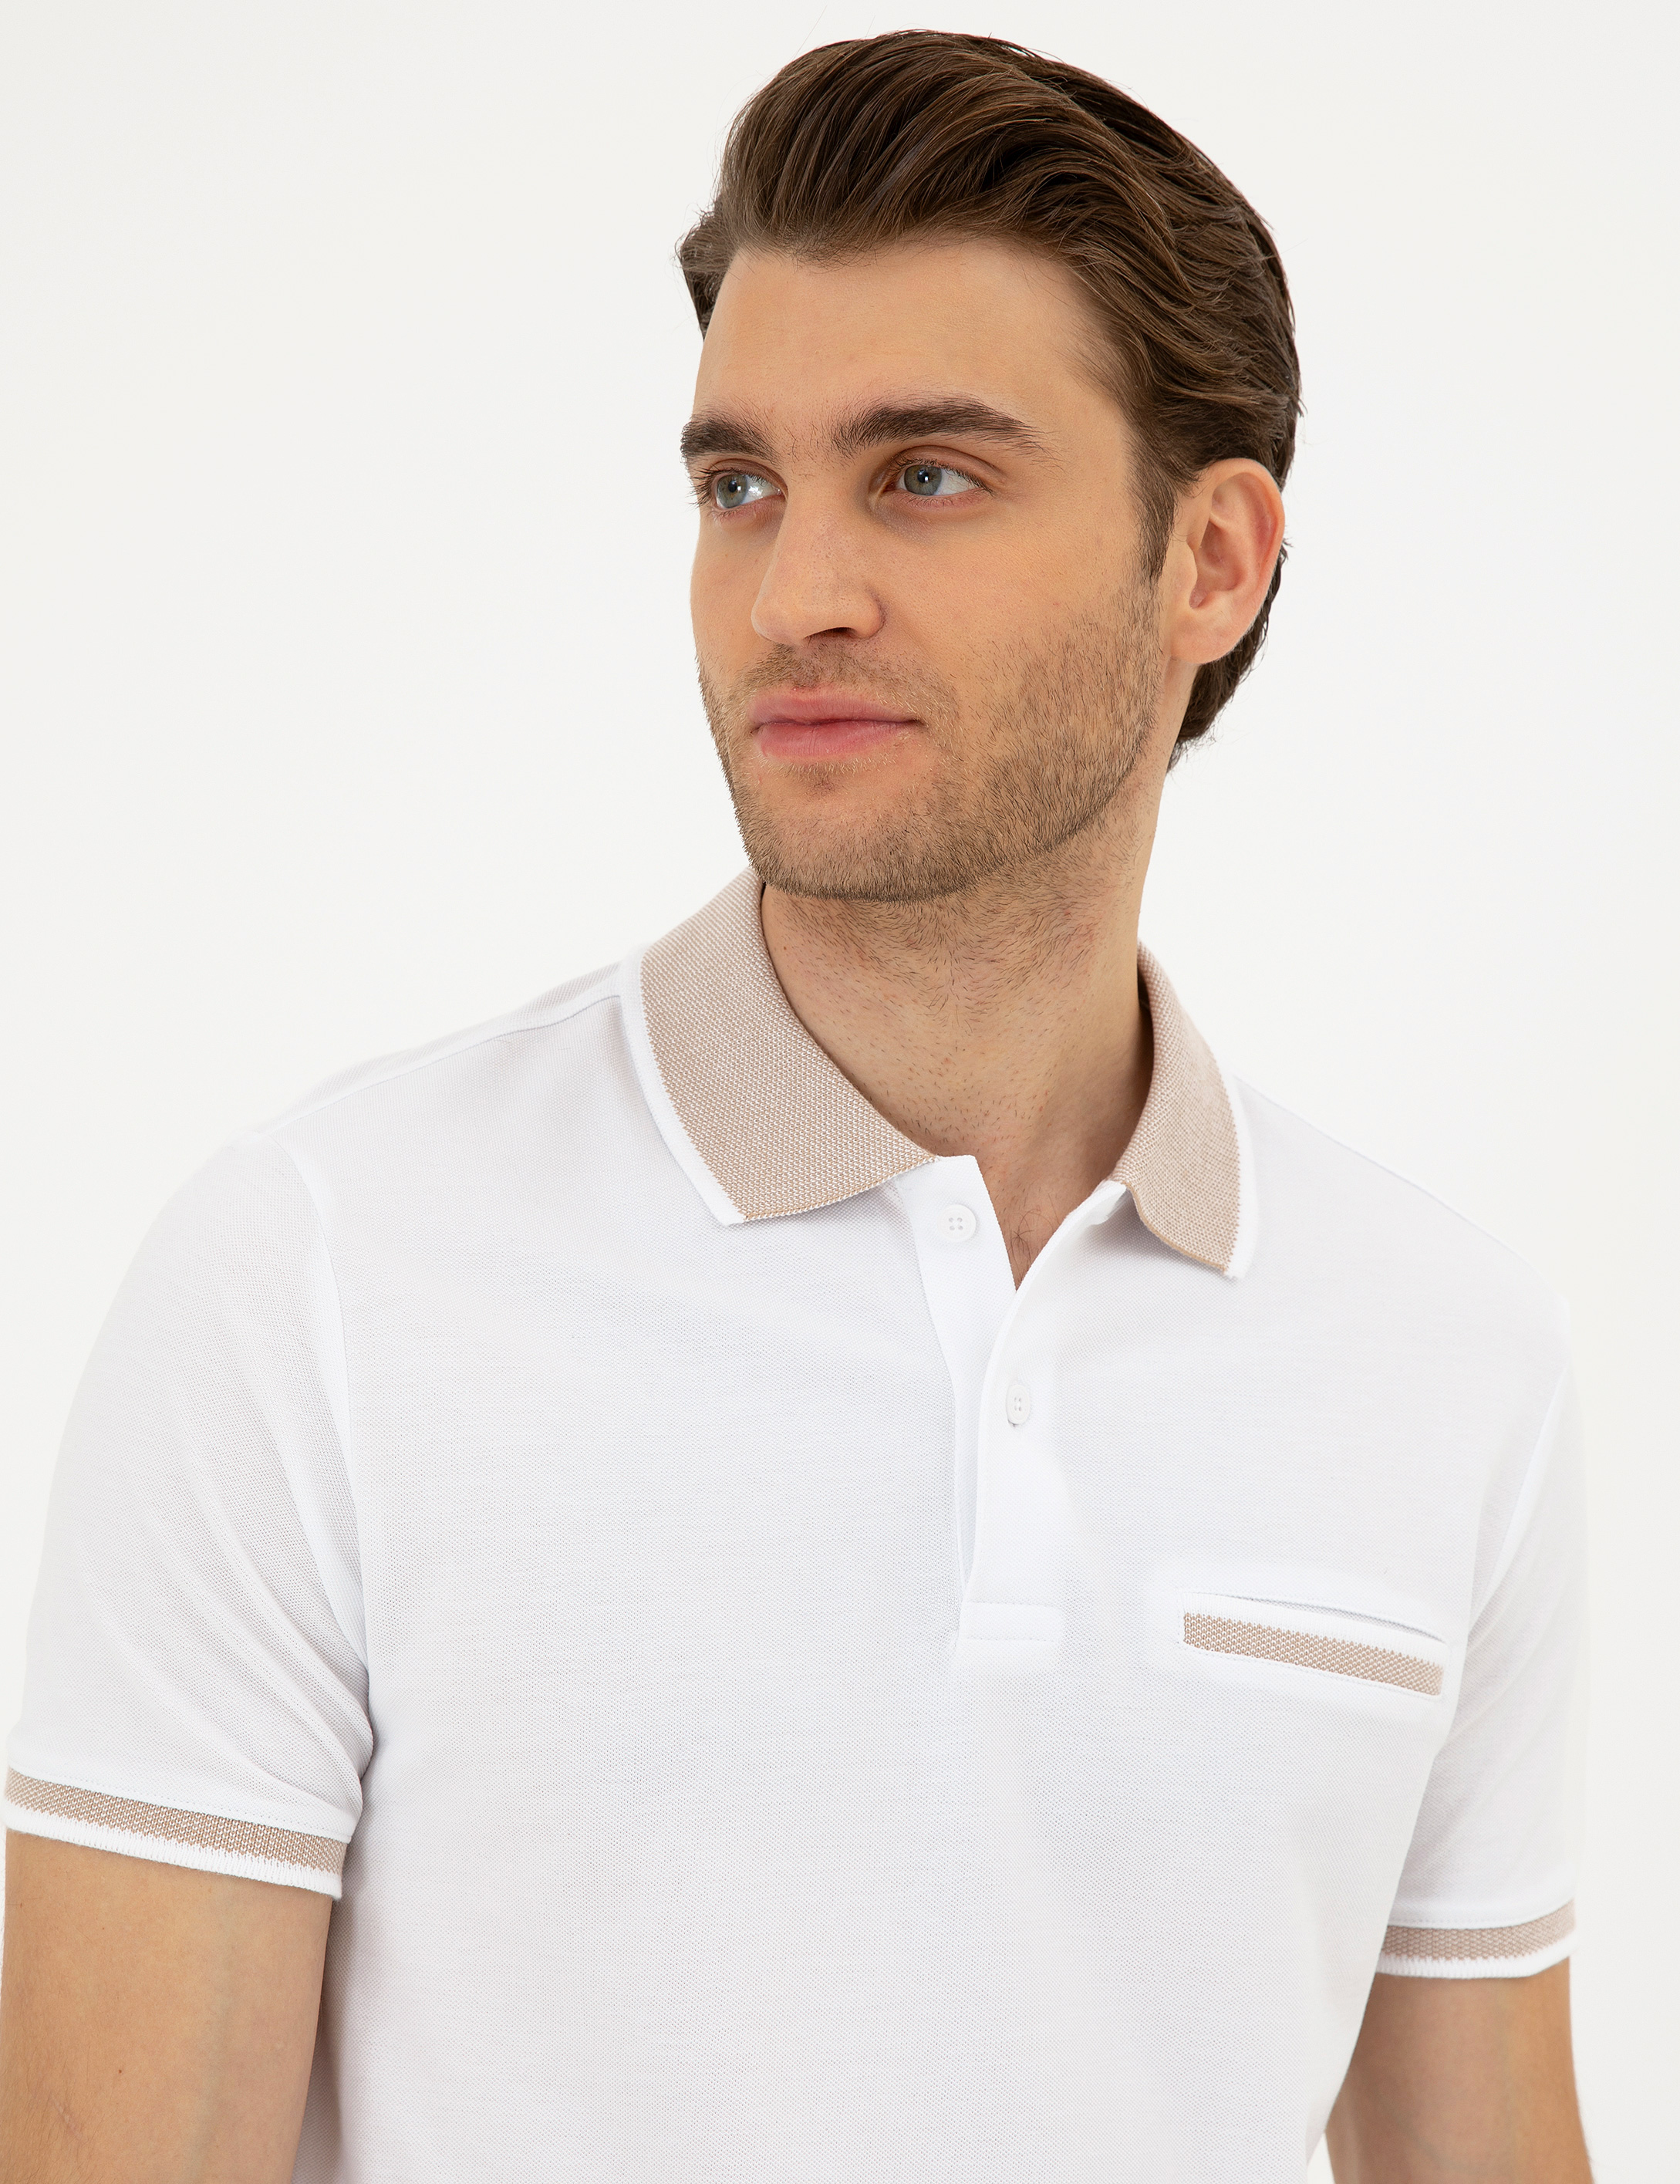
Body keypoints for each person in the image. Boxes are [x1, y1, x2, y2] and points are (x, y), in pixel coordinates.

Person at [0, 31, 1591, 2182]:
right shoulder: (321, 1277)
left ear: (1211, 561)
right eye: (739, 484)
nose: (791, 593)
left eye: (923, 476)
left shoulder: (1445, 1355)